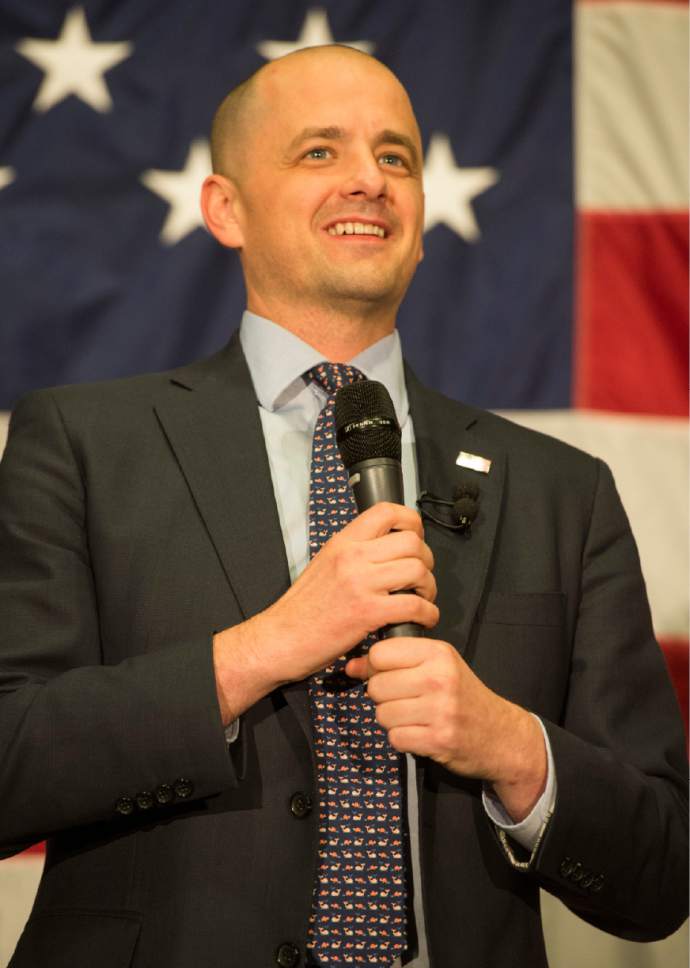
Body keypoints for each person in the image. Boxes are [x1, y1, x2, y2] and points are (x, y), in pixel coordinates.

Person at [0, 44, 686, 968]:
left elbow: (661, 878)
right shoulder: (82, 443)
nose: (369, 179)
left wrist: (513, 747)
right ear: (225, 209)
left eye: (395, 156)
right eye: (320, 152)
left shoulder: (563, 492)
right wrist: (266, 647)